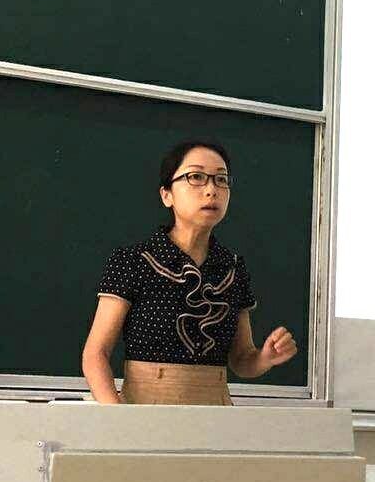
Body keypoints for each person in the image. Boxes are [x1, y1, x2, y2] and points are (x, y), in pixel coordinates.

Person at [82, 139, 298, 405]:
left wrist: (265, 358)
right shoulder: (133, 261)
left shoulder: (232, 268)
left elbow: (242, 360)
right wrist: (119, 416)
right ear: (167, 195)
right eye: (196, 177)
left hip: (214, 414)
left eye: (221, 180)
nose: (211, 190)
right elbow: (95, 354)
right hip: (144, 412)